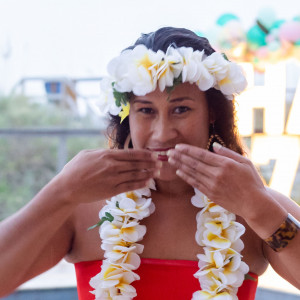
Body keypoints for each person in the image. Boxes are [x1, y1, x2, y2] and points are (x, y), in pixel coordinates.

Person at [0, 27, 300, 300]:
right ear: (126, 117)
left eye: (181, 109)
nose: (162, 133)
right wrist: (60, 192)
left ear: (212, 114)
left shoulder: (257, 208)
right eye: (145, 110)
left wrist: (260, 210)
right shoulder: (83, 209)